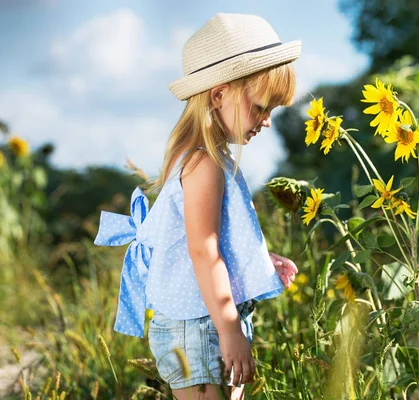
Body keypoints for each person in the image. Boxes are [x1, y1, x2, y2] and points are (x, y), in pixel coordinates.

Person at [94, 13, 301, 400]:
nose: (267, 121)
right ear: (219, 94)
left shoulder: (201, 157)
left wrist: (257, 259)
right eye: (261, 107)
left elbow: (207, 239)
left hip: (200, 320)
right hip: (201, 324)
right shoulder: (206, 164)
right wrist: (229, 330)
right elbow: (202, 251)